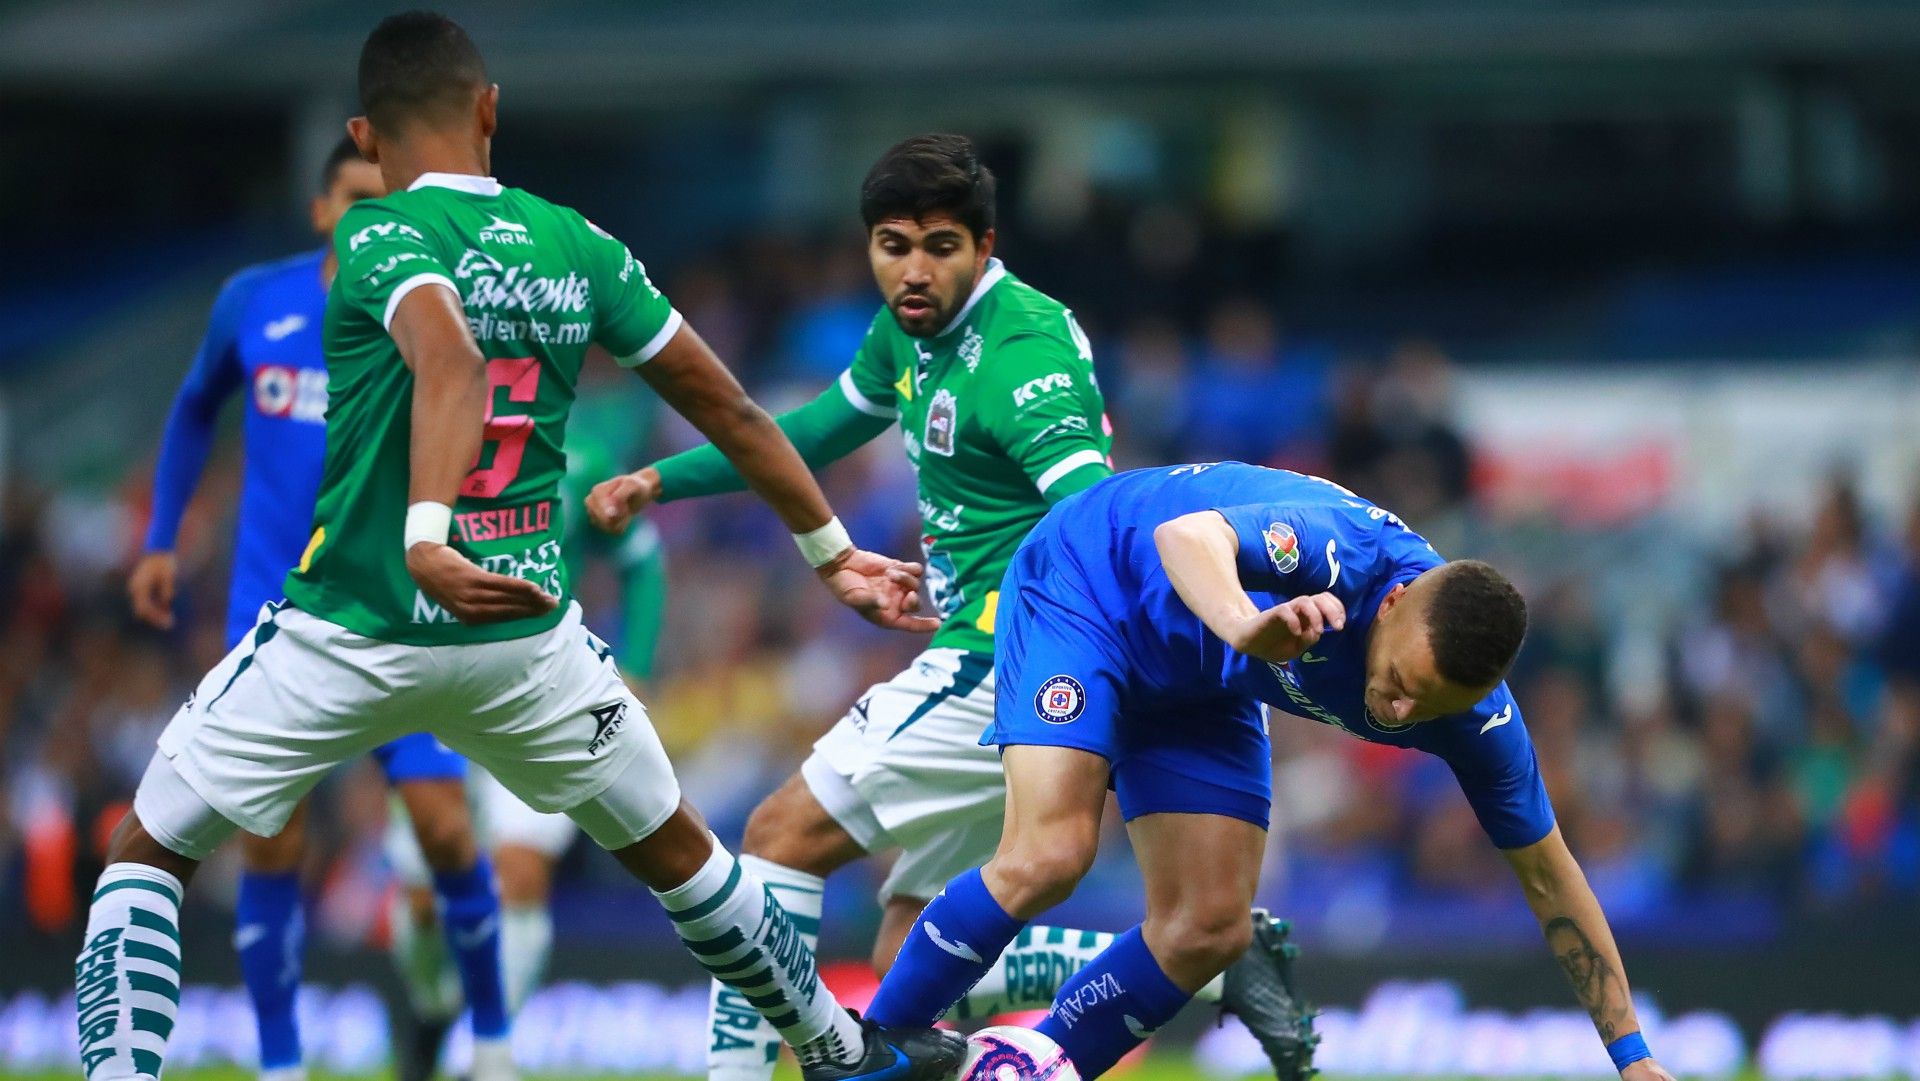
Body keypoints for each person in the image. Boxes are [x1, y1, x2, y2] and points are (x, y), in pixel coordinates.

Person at [75, 13, 962, 1081]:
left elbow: (445, 356)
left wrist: (423, 535)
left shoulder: (374, 235)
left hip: (353, 622)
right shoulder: (577, 243)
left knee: (148, 849)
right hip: (524, 641)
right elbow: (729, 407)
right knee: (683, 855)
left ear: (366, 132)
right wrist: (831, 551)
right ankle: (834, 1044)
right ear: (490, 108)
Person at [595, 133, 1314, 1081]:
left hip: (1009, 660)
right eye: (894, 245)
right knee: (907, 951)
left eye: (940, 245)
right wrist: (661, 477)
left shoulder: (1019, 359)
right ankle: (1213, 960)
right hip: (991, 641)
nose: (914, 269)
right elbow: (813, 428)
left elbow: (1093, 520)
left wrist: (1106, 664)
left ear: (984, 244)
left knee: (778, 837)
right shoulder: (908, 328)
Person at [864, 462, 1679, 1081]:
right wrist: (1247, 624)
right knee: (1052, 854)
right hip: (1092, 585)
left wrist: (1632, 1056)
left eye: (1424, 708)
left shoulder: (1480, 722)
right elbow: (1187, 538)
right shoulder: (1339, 552)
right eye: (1397, 683)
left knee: (1212, 925)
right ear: (1389, 606)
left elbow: (1550, 877)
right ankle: (874, 1050)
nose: (1397, 712)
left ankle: (1039, 1065)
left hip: (1207, 671)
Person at [127, 137, 514, 1081]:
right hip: (273, 611)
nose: (368, 217)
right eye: (353, 199)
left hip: (393, 610)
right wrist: (162, 536)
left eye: (385, 202)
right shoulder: (254, 301)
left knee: (445, 828)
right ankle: (281, 1060)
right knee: (274, 835)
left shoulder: (433, 314)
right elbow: (192, 406)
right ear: (319, 207)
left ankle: (495, 1042)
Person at [381, 372, 670, 1080]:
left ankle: (491, 1053)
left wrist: (634, 663)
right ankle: (430, 1009)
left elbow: (643, 562)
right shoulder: (421, 451)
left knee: (522, 871)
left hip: (539, 692)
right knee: (423, 899)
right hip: (433, 694)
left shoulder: (582, 461)